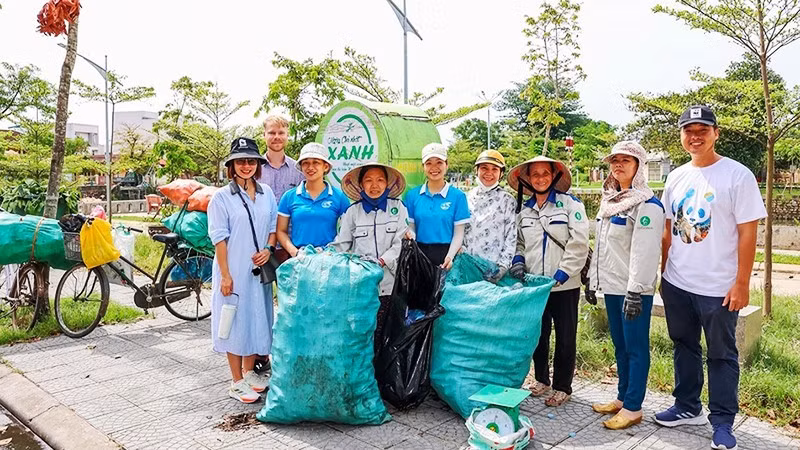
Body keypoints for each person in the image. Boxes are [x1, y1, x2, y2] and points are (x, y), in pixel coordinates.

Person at [654, 105, 766, 450]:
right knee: (684, 347)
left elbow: (749, 234)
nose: (695, 136)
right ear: (682, 136)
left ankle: (722, 422)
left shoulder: (737, 175)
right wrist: (663, 273)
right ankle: (688, 406)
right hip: (677, 282)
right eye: (689, 130)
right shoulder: (675, 177)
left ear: (716, 133)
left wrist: (742, 283)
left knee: (721, 354)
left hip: (718, 287)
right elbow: (668, 230)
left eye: (703, 129)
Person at [586, 141, 665, 430]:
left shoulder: (647, 205)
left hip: (634, 292)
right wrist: (593, 282)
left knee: (635, 347)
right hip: (613, 288)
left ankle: (633, 407)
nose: (618, 165)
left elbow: (645, 253)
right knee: (620, 346)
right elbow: (604, 248)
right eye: (614, 161)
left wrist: (636, 291)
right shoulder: (611, 200)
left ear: (639, 166)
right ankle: (622, 397)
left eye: (626, 161)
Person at [508, 155, 589, 407]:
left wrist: (563, 273)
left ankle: (563, 386)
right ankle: (542, 379)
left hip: (565, 285)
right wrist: (518, 261)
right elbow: (519, 242)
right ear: (528, 179)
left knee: (565, 337)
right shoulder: (524, 211)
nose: (540, 178)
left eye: (545, 173)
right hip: (534, 285)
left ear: (554, 176)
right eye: (535, 174)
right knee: (538, 335)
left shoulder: (570, 205)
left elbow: (579, 243)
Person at [208, 137, 278, 403]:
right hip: (234, 270)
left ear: (258, 164)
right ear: (232, 166)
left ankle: (250, 373)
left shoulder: (266, 193)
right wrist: (226, 275)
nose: (246, 166)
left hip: (258, 270)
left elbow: (273, 226)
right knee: (234, 322)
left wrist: (269, 250)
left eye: (251, 161)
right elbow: (219, 239)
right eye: (241, 161)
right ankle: (236, 380)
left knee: (256, 320)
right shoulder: (221, 198)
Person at [332, 162, 409, 346]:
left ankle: (386, 375)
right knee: (364, 338)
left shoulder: (398, 208)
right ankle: (366, 373)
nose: (374, 185)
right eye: (368, 180)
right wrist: (321, 255)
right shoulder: (353, 212)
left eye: (380, 180)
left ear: (387, 184)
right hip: (362, 287)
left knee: (391, 338)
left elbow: (401, 244)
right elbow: (342, 245)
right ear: (361, 185)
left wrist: (382, 261)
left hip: (392, 285)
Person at [403, 143, 470, 269]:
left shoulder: (458, 196)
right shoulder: (412, 195)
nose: (434, 168)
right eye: (428, 163)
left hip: (447, 255)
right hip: (419, 255)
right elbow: (411, 227)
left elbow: (459, 233)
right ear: (423, 167)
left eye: (439, 162)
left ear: (447, 165)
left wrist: (450, 256)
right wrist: (410, 235)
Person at [276, 142, 350, 256]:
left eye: (316, 162)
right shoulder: (289, 196)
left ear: (325, 166)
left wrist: (331, 252)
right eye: (306, 163)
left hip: (329, 258)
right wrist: (295, 253)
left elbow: (348, 230)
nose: (310, 167)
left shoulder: (339, 197)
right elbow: (281, 231)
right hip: (299, 259)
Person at [256, 115, 304, 263]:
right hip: (260, 242)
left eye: (281, 133)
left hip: (291, 244)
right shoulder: (253, 169)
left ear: (287, 136)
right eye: (271, 133)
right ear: (264, 135)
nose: (276, 137)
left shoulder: (299, 170)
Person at [463, 150, 517, 281]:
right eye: (484, 168)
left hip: (494, 270)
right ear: (476, 170)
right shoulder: (466, 198)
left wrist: (503, 267)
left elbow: (512, 236)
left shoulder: (507, 200)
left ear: (501, 173)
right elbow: (460, 232)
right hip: (468, 268)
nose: (489, 173)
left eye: (495, 169)